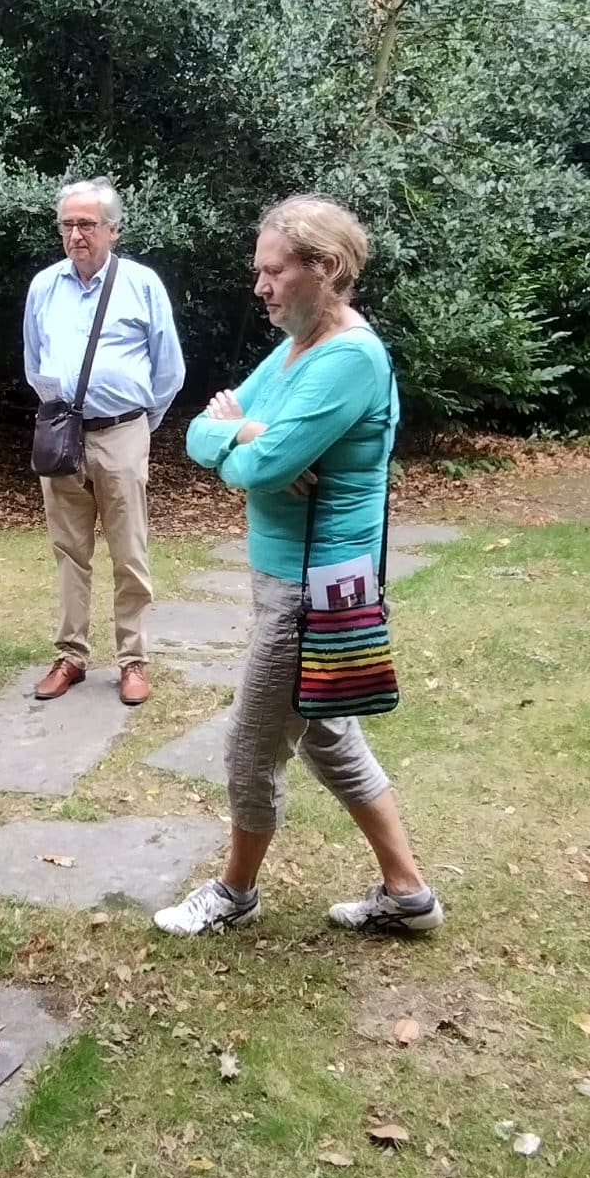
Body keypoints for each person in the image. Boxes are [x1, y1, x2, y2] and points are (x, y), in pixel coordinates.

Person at [156, 195, 442, 939]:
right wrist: (250, 434)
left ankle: (235, 893)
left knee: (252, 746)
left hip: (313, 591)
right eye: (260, 270)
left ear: (327, 268)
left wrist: (250, 441)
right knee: (326, 734)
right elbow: (197, 433)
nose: (261, 286)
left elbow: (264, 467)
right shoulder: (294, 349)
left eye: (275, 271)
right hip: (295, 579)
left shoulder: (348, 358)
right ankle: (409, 893)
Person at [23, 177, 185, 706]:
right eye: (67, 225)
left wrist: (139, 425)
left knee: (129, 550)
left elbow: (169, 370)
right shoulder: (44, 286)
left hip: (122, 431)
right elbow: (34, 361)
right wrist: (61, 412)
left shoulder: (141, 284)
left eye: (87, 225)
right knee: (69, 551)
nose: (76, 235)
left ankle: (133, 660)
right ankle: (71, 655)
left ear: (112, 229)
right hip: (63, 433)